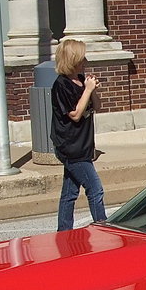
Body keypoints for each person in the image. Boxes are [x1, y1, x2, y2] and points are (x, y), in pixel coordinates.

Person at [51, 38, 107, 231]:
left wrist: (92, 91)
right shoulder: (61, 85)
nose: (85, 61)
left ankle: (64, 231)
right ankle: (103, 228)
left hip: (83, 145)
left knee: (70, 193)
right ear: (72, 59)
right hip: (70, 146)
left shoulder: (82, 81)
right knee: (95, 189)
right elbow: (75, 114)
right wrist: (87, 90)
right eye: (82, 57)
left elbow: (97, 107)